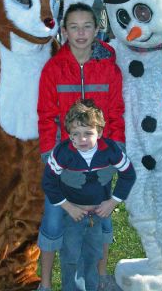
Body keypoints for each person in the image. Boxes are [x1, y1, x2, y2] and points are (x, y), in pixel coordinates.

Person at [37, 0, 126, 291]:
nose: (80, 33)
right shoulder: (53, 69)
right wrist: (51, 156)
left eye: (87, 26)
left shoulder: (109, 69)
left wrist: (116, 152)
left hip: (98, 160)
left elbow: (115, 114)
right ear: (64, 31)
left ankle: (100, 278)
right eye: (73, 27)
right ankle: (47, 283)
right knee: (53, 220)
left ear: (96, 29)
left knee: (100, 221)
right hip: (62, 162)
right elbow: (46, 114)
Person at [42, 100, 136, 291]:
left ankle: (91, 287)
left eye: (88, 133)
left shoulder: (109, 150)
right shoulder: (62, 153)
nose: (82, 139)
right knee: (71, 258)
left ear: (99, 133)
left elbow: (128, 174)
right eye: (76, 134)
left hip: (98, 215)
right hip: (73, 215)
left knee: (93, 256)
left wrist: (113, 201)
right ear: (69, 136)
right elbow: (48, 182)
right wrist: (68, 206)